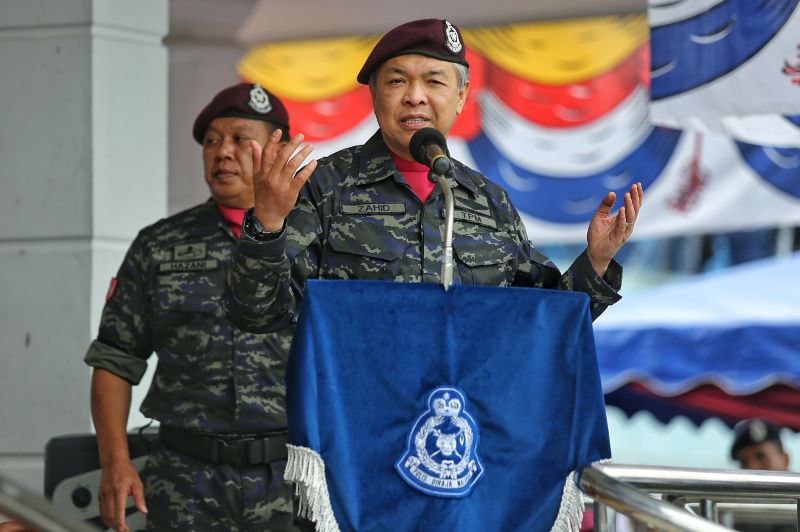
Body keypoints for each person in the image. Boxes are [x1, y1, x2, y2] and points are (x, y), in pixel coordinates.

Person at [224, 18, 642, 334]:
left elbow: (545, 322)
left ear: (460, 97)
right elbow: (258, 315)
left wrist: (597, 262)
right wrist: (268, 226)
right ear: (374, 95)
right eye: (397, 81)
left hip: (463, 426)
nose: (415, 95)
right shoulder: (324, 185)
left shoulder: (488, 201)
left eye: (434, 81)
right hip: (359, 423)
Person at [84, 83, 301, 532]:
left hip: (290, 476)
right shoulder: (160, 245)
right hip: (186, 480)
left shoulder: (314, 240)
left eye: (240, 139)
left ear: (277, 150)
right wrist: (115, 464)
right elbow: (115, 360)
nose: (223, 152)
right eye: (211, 141)